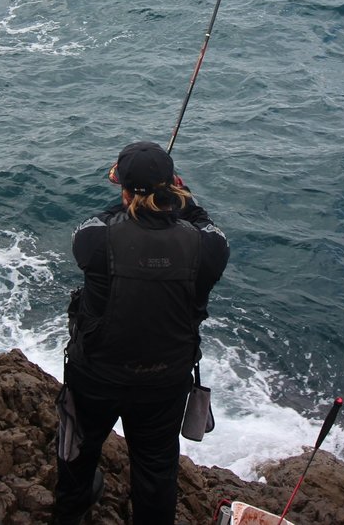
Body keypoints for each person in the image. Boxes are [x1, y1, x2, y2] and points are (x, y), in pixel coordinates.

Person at [53, 141, 230, 525]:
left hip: (96, 374)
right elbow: (205, 224)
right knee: (156, 470)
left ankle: (70, 512)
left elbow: (102, 220)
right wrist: (180, 200)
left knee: (77, 452)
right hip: (164, 380)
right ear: (174, 187)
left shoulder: (93, 241)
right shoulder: (209, 248)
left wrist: (137, 201)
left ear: (125, 190)